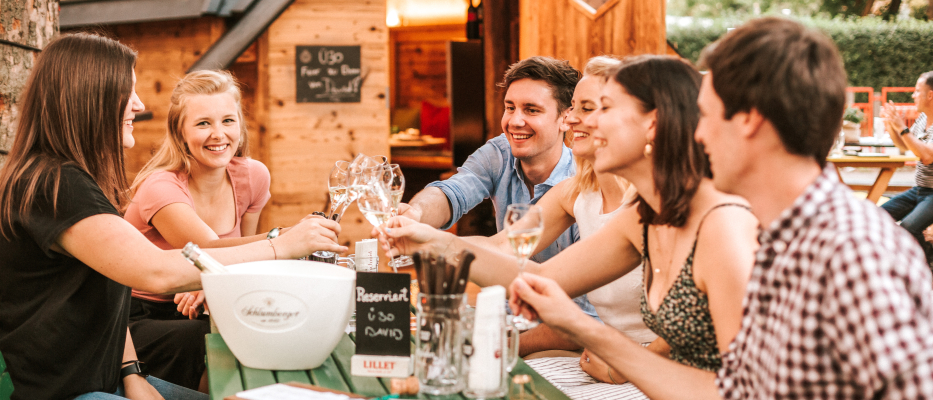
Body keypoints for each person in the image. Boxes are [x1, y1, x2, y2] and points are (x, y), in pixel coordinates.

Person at [513, 17, 933, 398]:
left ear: (749, 120)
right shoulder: (781, 236)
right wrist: (581, 327)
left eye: (706, 115)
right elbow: (737, 389)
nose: (696, 133)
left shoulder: (851, 247)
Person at [0, 33, 346, 400]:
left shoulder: (71, 179)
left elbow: (107, 295)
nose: (139, 104)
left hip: (107, 379)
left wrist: (132, 373)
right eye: (127, 92)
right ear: (90, 98)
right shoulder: (53, 186)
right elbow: (157, 271)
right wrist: (281, 245)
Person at [380, 55, 759, 387]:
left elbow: (745, 381)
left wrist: (610, 350)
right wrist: (432, 241)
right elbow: (540, 279)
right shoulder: (638, 217)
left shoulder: (720, 222)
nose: (573, 121)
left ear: (653, 125)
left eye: (601, 108)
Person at [432, 56, 663, 373]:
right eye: (573, 108)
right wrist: (425, 240)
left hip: (645, 370)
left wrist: (622, 363)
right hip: (601, 362)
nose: (570, 120)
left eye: (587, 108)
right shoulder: (575, 192)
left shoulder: (656, 205)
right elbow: (508, 250)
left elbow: (691, 324)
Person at [396, 56, 599, 339]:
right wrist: (416, 215)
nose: (515, 121)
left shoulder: (582, 186)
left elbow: (585, 318)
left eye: (531, 110)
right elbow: (454, 194)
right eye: (510, 107)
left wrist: (495, 344)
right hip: (506, 321)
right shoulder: (500, 152)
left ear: (566, 118)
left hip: (560, 336)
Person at [123, 70, 274, 392]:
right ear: (180, 133)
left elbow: (244, 259)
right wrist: (286, 238)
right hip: (136, 318)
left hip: (203, 305)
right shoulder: (160, 187)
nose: (218, 134)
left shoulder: (253, 177)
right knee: (213, 341)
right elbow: (208, 250)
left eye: (228, 121)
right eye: (203, 123)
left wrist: (212, 281)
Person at [881, 71, 933, 267]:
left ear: (930, 95)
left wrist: (902, 127)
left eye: (917, 91)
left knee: (908, 228)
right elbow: (905, 145)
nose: (913, 95)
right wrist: (892, 126)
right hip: (920, 190)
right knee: (879, 216)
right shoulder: (923, 119)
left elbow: (927, 156)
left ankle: (926, 267)